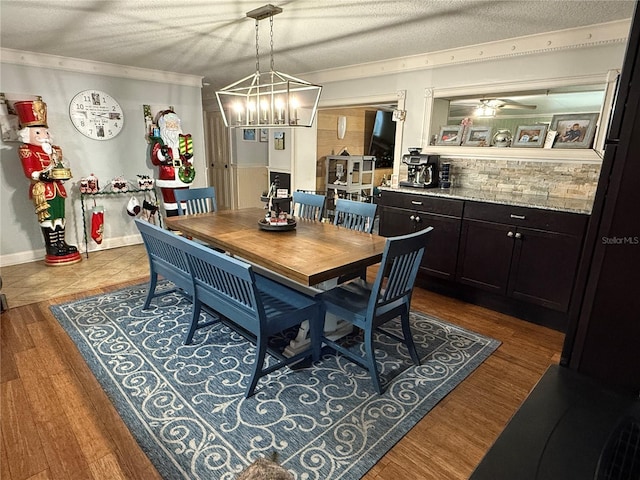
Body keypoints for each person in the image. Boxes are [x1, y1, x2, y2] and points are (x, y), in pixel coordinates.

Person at [15, 98, 81, 265]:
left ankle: (61, 242)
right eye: (38, 132)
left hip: (57, 188)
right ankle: (51, 246)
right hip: (43, 190)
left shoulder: (55, 150)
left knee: (60, 217)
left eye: (44, 132)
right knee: (48, 218)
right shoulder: (26, 150)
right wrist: (43, 175)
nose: (43, 135)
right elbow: (29, 172)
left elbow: (61, 165)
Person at [149, 110, 195, 216]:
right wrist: (161, 153)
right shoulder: (159, 142)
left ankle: (182, 228)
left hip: (183, 176)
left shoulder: (183, 141)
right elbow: (155, 160)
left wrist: (189, 157)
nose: (172, 126)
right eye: (169, 124)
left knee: (183, 204)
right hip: (167, 177)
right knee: (170, 204)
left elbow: (189, 159)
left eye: (174, 124)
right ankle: (172, 230)